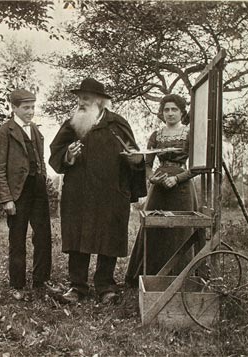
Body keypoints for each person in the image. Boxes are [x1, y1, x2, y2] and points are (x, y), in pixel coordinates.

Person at [49, 78, 146, 304]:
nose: (81, 102)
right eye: (80, 98)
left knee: (108, 237)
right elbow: (55, 153)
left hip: (110, 193)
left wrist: (136, 160)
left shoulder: (117, 124)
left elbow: (134, 155)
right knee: (77, 238)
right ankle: (77, 287)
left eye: (87, 98)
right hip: (79, 194)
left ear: (100, 102)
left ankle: (106, 286)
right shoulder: (72, 125)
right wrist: (68, 155)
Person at [0, 89, 57, 301]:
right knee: (17, 239)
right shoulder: (5, 131)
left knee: (44, 236)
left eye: (33, 107)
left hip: (37, 190)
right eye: (26, 107)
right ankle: (17, 284)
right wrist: (7, 199)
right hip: (18, 193)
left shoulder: (35, 130)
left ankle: (41, 281)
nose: (31, 111)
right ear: (14, 108)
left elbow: (40, 159)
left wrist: (43, 179)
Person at [125, 93, 198, 285]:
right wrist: (153, 178)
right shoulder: (156, 135)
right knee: (153, 227)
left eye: (174, 109)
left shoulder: (190, 134)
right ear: (162, 112)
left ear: (182, 112)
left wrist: (177, 178)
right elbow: (147, 164)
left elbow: (197, 166)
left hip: (182, 188)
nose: (170, 113)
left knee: (181, 230)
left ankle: (183, 279)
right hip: (159, 189)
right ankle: (149, 277)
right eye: (166, 109)